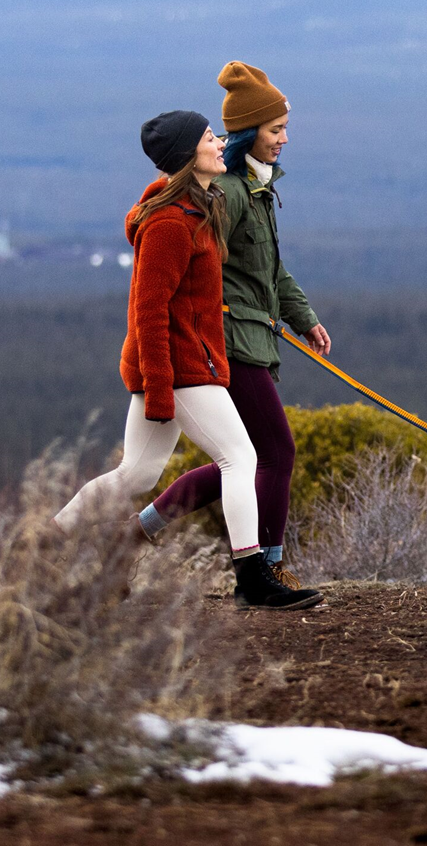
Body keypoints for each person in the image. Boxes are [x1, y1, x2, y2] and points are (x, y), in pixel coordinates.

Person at [52, 108, 324, 611]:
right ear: (186, 157)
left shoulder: (199, 211)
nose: (220, 143)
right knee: (241, 458)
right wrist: (159, 387)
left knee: (135, 475)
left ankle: (45, 545)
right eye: (207, 138)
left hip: (181, 366)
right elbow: (148, 311)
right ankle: (252, 576)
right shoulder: (170, 224)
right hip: (178, 369)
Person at [134, 64, 330, 591]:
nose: (284, 139)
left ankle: (140, 532)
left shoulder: (254, 189)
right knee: (270, 453)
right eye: (275, 130)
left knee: (241, 457)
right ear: (248, 132)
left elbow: (270, 269)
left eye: (285, 129)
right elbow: (200, 277)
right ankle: (265, 567)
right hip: (227, 342)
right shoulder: (228, 195)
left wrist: (302, 316)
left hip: (251, 336)